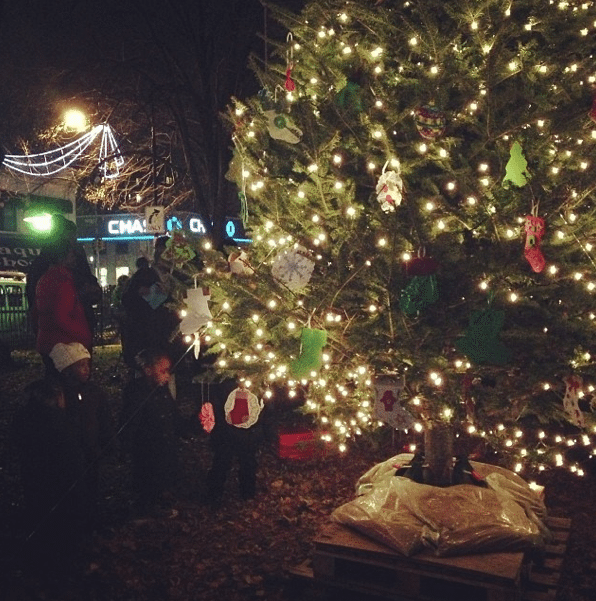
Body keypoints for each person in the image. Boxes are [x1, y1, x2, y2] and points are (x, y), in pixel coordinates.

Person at [11, 378, 88, 580]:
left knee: (42, 519)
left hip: (35, 483)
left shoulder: (23, 421)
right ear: (55, 398)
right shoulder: (60, 424)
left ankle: (43, 563)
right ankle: (59, 569)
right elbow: (71, 457)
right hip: (61, 485)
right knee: (61, 526)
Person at [119, 346, 194, 515]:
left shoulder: (163, 391)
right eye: (164, 371)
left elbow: (174, 418)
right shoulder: (137, 393)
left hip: (165, 446)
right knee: (148, 479)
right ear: (148, 370)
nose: (167, 376)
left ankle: (160, 501)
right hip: (147, 449)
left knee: (164, 476)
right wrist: (125, 446)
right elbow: (130, 422)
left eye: (168, 371)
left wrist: (194, 424)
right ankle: (144, 507)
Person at [48, 341, 114, 532]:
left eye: (88, 365)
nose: (87, 370)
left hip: (91, 450)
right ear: (67, 369)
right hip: (70, 454)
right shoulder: (60, 395)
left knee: (91, 486)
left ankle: (91, 519)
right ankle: (73, 522)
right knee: (72, 488)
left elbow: (104, 419)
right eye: (81, 366)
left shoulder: (94, 392)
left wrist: (108, 442)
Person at [203, 377, 265, 509]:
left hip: (248, 432)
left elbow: (262, 407)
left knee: (247, 460)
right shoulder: (226, 383)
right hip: (227, 431)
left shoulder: (257, 382)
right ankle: (215, 492)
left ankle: (247, 492)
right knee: (223, 459)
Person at [35, 239, 93, 374]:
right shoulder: (63, 282)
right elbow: (62, 317)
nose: (75, 259)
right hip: (65, 344)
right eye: (71, 255)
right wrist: (84, 335)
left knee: (54, 382)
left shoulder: (44, 279)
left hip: (48, 341)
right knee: (68, 384)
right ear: (62, 258)